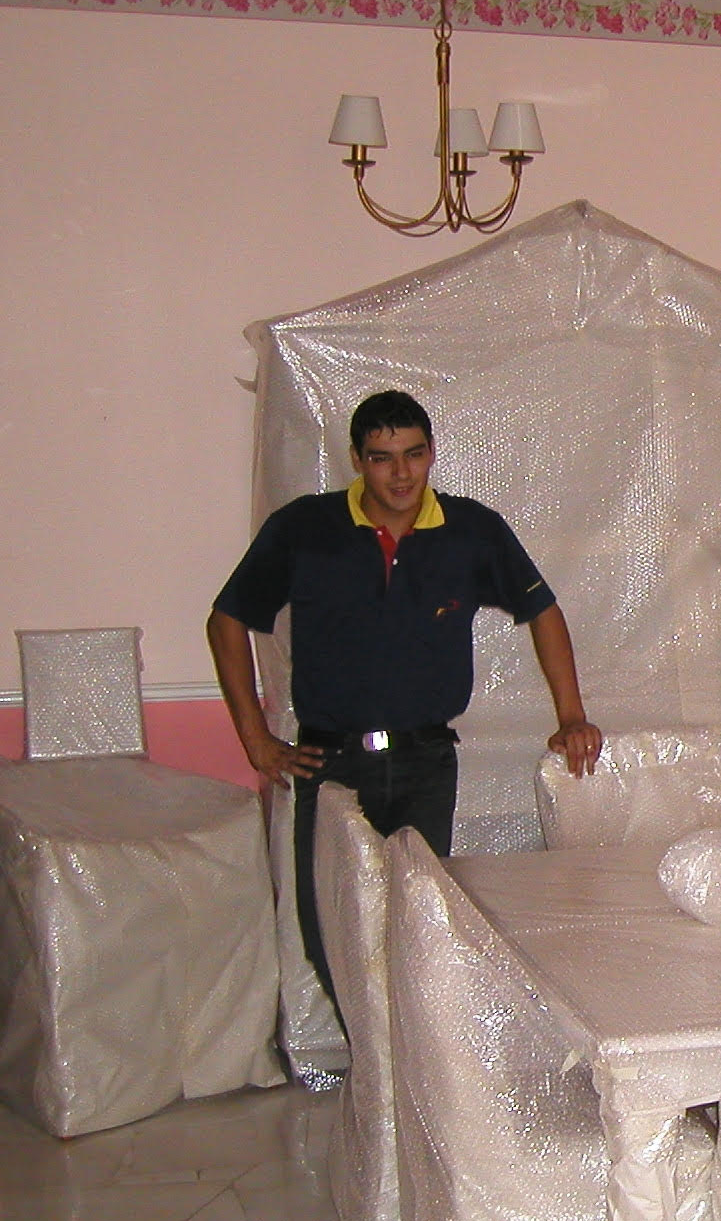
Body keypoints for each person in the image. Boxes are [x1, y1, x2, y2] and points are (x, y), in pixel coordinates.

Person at [207, 388, 602, 1004]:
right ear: (356, 460)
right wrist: (256, 739)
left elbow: (542, 611)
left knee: (416, 927)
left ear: (432, 453)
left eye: (414, 455)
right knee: (330, 931)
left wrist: (571, 715)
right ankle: (374, 1054)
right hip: (330, 763)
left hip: (426, 764)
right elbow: (227, 621)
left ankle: (407, 1057)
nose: (400, 474)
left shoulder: (471, 531)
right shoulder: (306, 529)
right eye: (382, 458)